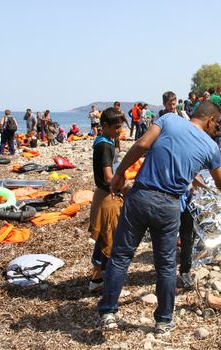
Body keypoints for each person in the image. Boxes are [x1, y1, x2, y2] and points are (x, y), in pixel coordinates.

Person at [97, 101, 221, 333]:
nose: (217, 129)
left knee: (121, 256)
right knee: (166, 265)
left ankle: (108, 313)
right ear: (210, 120)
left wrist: (120, 173)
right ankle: (163, 321)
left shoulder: (169, 120)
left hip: (141, 195)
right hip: (170, 205)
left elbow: (142, 144)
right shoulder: (211, 147)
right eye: (216, 125)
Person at [89, 107, 126, 293]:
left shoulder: (105, 140)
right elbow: (108, 177)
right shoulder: (104, 145)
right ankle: (106, 281)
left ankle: (96, 279)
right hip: (107, 198)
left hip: (103, 195)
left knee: (103, 238)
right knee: (109, 241)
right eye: (117, 127)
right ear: (105, 126)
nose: (120, 130)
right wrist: (126, 188)